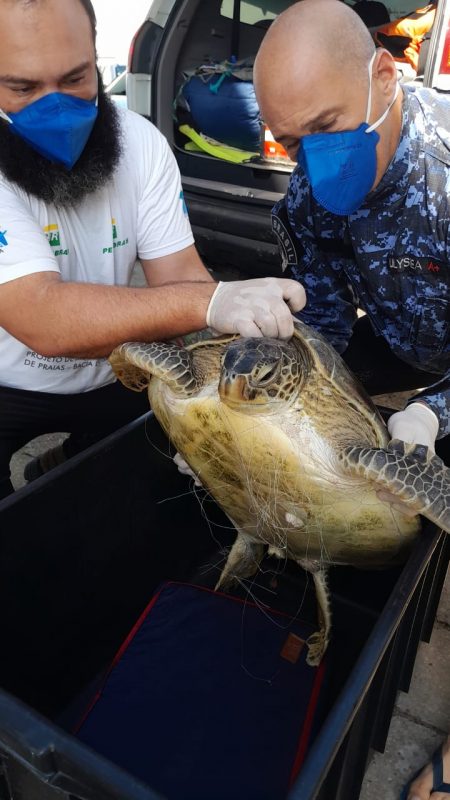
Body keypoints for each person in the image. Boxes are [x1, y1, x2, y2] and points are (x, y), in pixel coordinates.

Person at [253, 1, 450, 798]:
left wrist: (436, 411)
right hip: (403, 344)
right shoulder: (309, 193)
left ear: (384, 74)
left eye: (329, 125)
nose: (313, 158)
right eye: (294, 140)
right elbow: (328, 321)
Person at [0, 0, 306, 500]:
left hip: (114, 366)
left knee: (148, 494)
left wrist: (217, 397)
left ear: (96, 59)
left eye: (76, 78)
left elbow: (179, 274)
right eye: (23, 87)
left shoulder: (139, 144)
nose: (55, 105)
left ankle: (61, 464)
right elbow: (42, 317)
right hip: (5, 378)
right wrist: (210, 301)